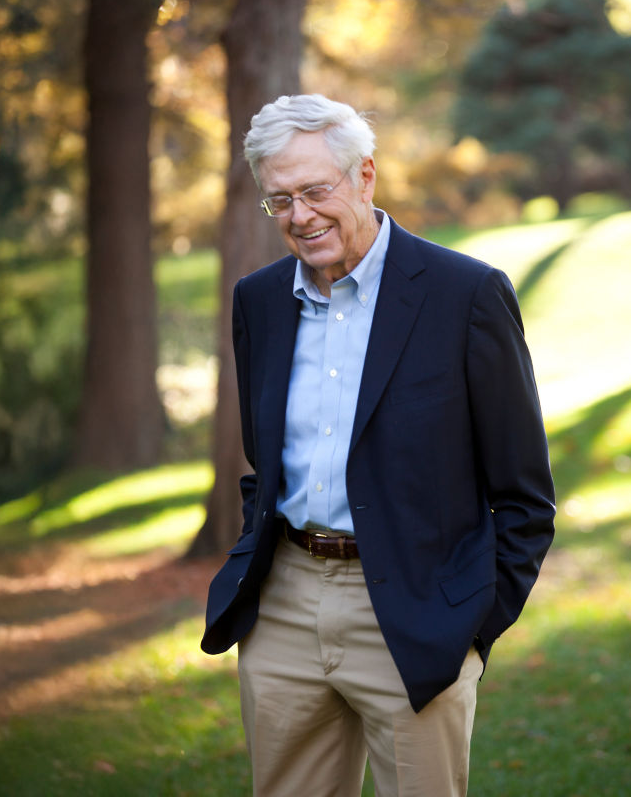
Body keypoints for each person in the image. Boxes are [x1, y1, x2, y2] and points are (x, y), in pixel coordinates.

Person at [201, 94, 555, 797]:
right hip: (285, 607)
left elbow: (524, 495)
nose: (300, 217)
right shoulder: (259, 301)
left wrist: (471, 629)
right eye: (280, 201)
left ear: (364, 177)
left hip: (419, 610)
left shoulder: (467, 295)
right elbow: (263, 466)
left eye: (314, 191)